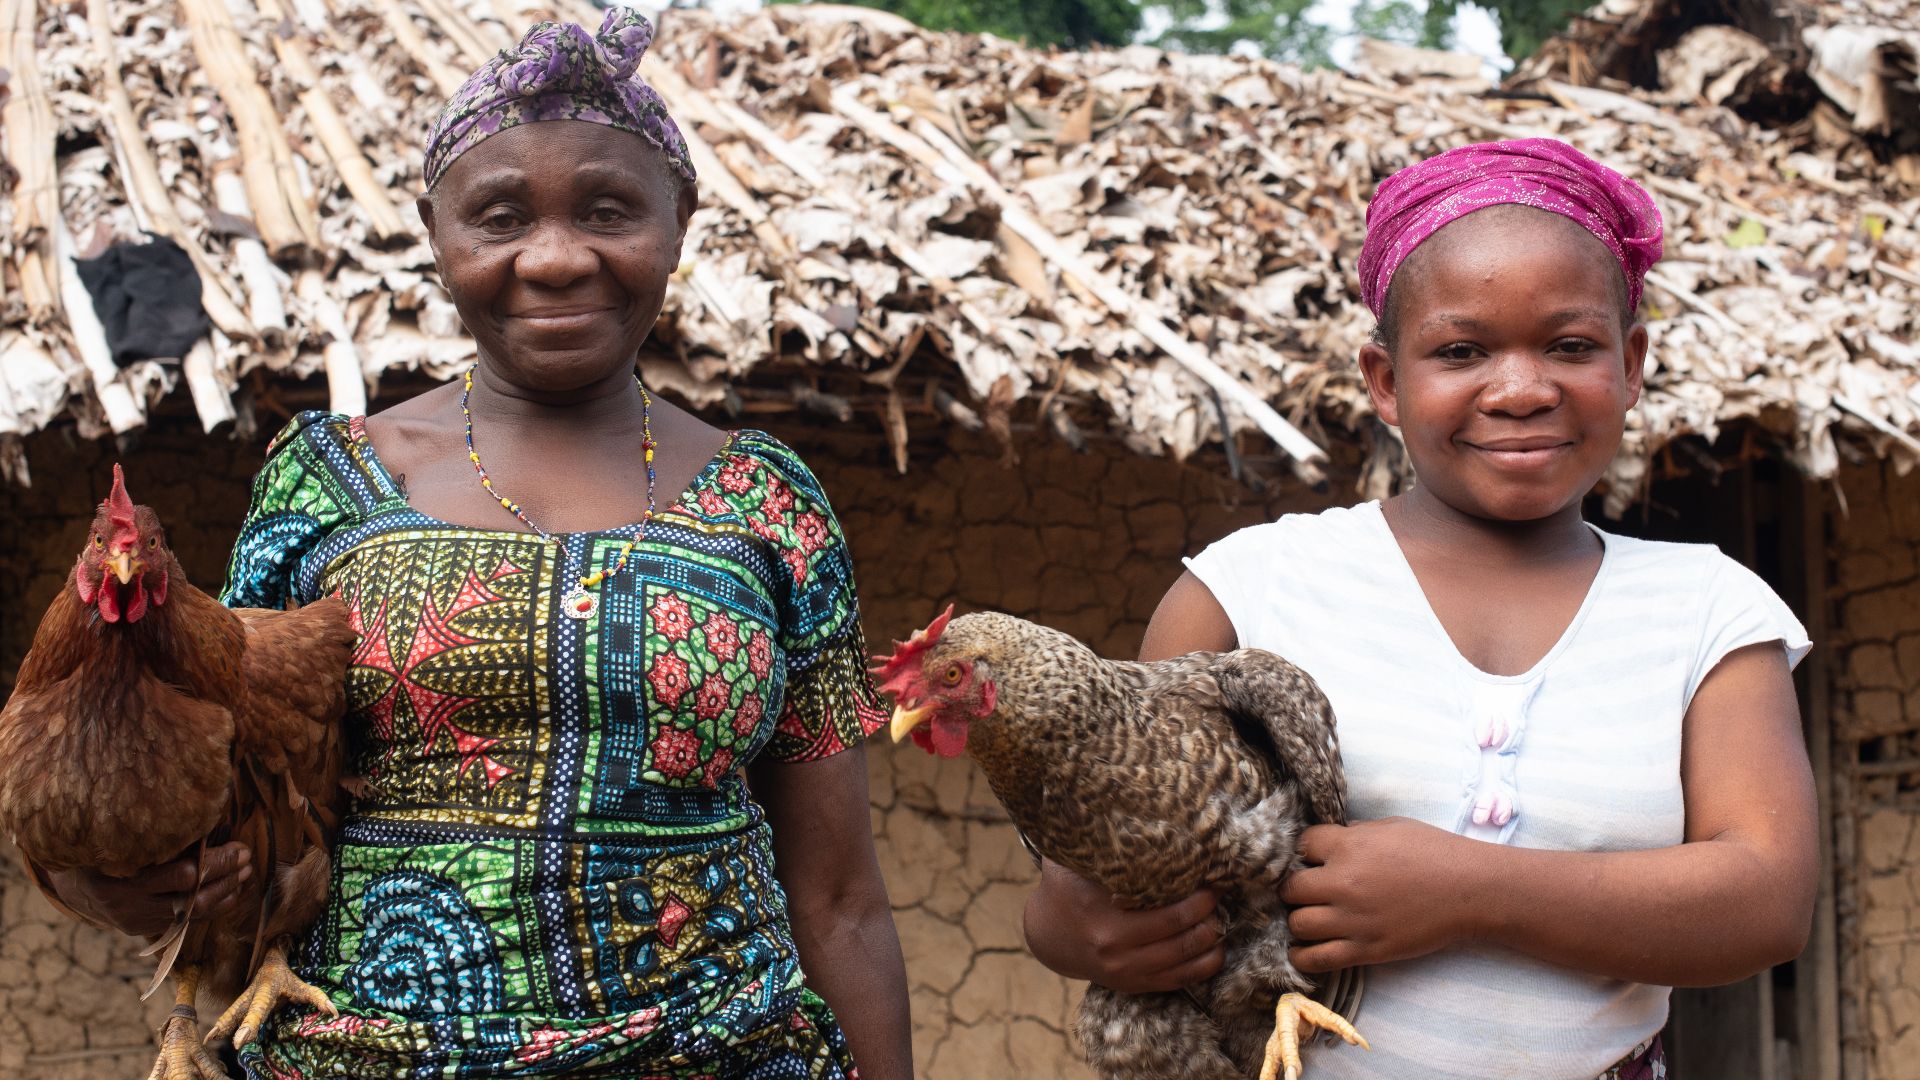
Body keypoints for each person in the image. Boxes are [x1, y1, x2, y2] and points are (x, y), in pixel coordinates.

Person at [42, 9, 911, 1077]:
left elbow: (841, 900)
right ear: (436, 229)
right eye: (498, 217)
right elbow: (217, 785)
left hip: (719, 1053)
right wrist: (120, 885)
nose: (553, 259)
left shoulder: (771, 507)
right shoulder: (325, 484)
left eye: (607, 209)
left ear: (678, 219)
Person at [1021, 139, 1818, 1079]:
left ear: (1632, 363)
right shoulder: (1252, 589)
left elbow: (1768, 900)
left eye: (1571, 345)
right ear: (1387, 381)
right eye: (1461, 351)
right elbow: (1095, 870)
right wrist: (1070, 928)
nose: (1522, 389)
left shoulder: (1708, 611)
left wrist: (1473, 893)